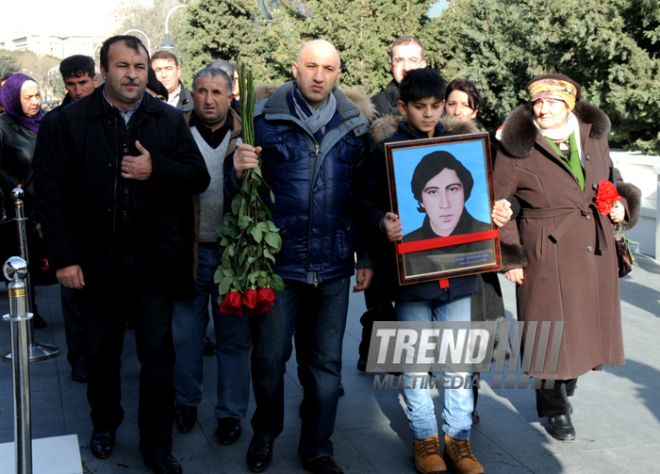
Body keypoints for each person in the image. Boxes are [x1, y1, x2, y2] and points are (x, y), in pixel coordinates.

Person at [38, 35, 210, 474]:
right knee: (100, 356)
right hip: (96, 265)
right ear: (104, 72)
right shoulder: (68, 122)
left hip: (154, 264)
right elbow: (52, 197)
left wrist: (158, 170)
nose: (132, 74)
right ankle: (104, 424)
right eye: (122, 66)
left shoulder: (168, 120)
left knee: (157, 359)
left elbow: (197, 176)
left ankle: (156, 445)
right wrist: (65, 258)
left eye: (139, 65)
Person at [231, 39, 374, 474]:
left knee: (326, 365)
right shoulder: (261, 121)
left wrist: (365, 256)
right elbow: (242, 195)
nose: (318, 76)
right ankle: (265, 432)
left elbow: (363, 197)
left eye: (328, 69)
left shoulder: (357, 127)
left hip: (332, 265)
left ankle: (317, 445)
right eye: (310, 66)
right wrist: (236, 171)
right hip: (279, 264)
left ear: (338, 74)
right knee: (269, 359)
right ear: (295, 69)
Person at [365, 67, 511, 474]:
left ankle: (458, 438)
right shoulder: (386, 151)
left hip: (460, 276)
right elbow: (366, 203)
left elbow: (487, 199)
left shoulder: (466, 146)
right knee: (414, 361)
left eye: (436, 106)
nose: (428, 115)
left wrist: (497, 212)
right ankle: (424, 438)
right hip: (411, 278)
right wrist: (383, 222)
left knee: (457, 361)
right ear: (402, 106)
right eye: (419, 107)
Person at [494, 74, 641, 442]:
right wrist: (511, 256)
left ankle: (566, 386)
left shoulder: (594, 135)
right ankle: (553, 407)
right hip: (544, 246)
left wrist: (621, 205)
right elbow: (498, 204)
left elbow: (613, 178)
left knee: (582, 326)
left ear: (570, 105)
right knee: (545, 327)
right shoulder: (515, 145)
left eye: (552, 103)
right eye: (537, 103)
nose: (543, 109)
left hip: (593, 244)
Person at [171, 66, 251, 447]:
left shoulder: (248, 133)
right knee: (185, 336)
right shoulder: (176, 130)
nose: (208, 99)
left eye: (216, 92)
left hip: (232, 255)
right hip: (189, 252)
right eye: (201, 91)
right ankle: (186, 403)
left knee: (233, 339)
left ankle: (231, 413)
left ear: (230, 94)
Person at [443, 78, 507, 423]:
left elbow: (504, 194)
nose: (456, 111)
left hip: (477, 253)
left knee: (477, 326)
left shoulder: (489, 149)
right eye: (451, 104)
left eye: (464, 105)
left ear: (475, 110)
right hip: (437, 253)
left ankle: (470, 397)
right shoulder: (427, 143)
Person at [33, 55, 99, 381]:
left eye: (82, 83)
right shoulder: (54, 121)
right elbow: (43, 177)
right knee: (72, 295)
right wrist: (46, 219)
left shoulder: (108, 117)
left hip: (103, 223)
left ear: (95, 79)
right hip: (68, 223)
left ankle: (100, 356)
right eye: (71, 85)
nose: (77, 90)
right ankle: (80, 360)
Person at [0, 72, 48, 328]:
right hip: (21, 205)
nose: (35, 102)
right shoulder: (3, 126)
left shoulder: (46, 123)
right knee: (24, 258)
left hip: (47, 200)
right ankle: (27, 309)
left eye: (37, 95)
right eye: (28, 97)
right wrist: (14, 185)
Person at [402, 151, 494, 275]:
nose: (445, 204)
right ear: (421, 201)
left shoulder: (487, 234)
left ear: (464, 193)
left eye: (452, 189)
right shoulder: (407, 243)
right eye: (433, 192)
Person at [371, 36, 426, 117]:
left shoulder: (438, 104)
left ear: (423, 65)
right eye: (399, 60)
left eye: (413, 60)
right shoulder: (373, 108)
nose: (406, 68)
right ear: (391, 66)